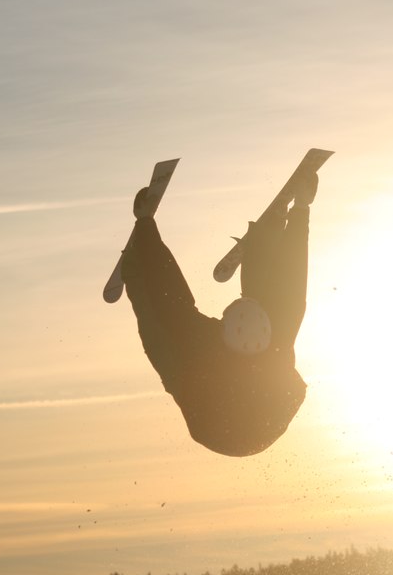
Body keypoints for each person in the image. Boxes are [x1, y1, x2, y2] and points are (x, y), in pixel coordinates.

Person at [122, 172, 319, 456]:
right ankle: (265, 244)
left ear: (222, 331)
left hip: (214, 425)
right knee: (281, 299)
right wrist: (302, 207)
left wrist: (144, 225)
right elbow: (294, 278)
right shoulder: (280, 335)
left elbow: (167, 293)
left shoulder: (198, 348)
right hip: (262, 414)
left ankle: (133, 269)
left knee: (158, 320)